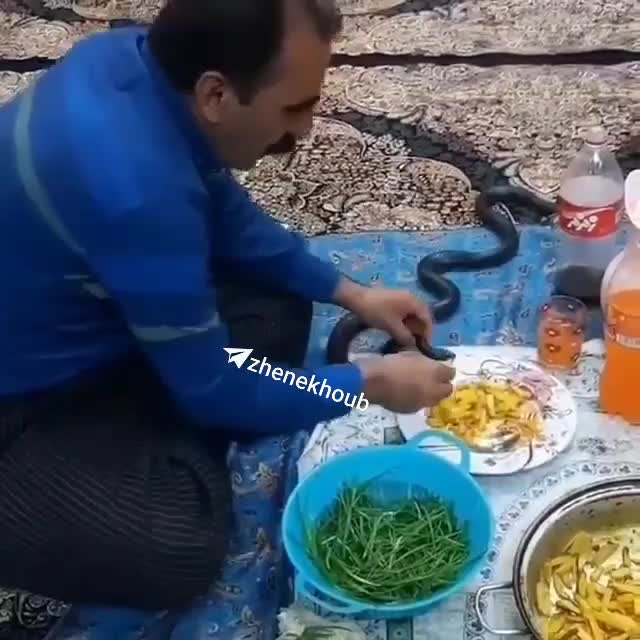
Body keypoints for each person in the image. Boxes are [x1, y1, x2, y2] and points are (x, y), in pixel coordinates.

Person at [0, 0, 455, 611]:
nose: (305, 131)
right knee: (177, 546)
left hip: (86, 320)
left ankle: (173, 404)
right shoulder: (136, 194)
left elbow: (222, 210)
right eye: (294, 107)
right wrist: (367, 381)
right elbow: (216, 387)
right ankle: (150, 434)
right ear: (216, 94)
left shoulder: (125, 58)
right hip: (21, 405)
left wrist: (353, 293)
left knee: (280, 308)